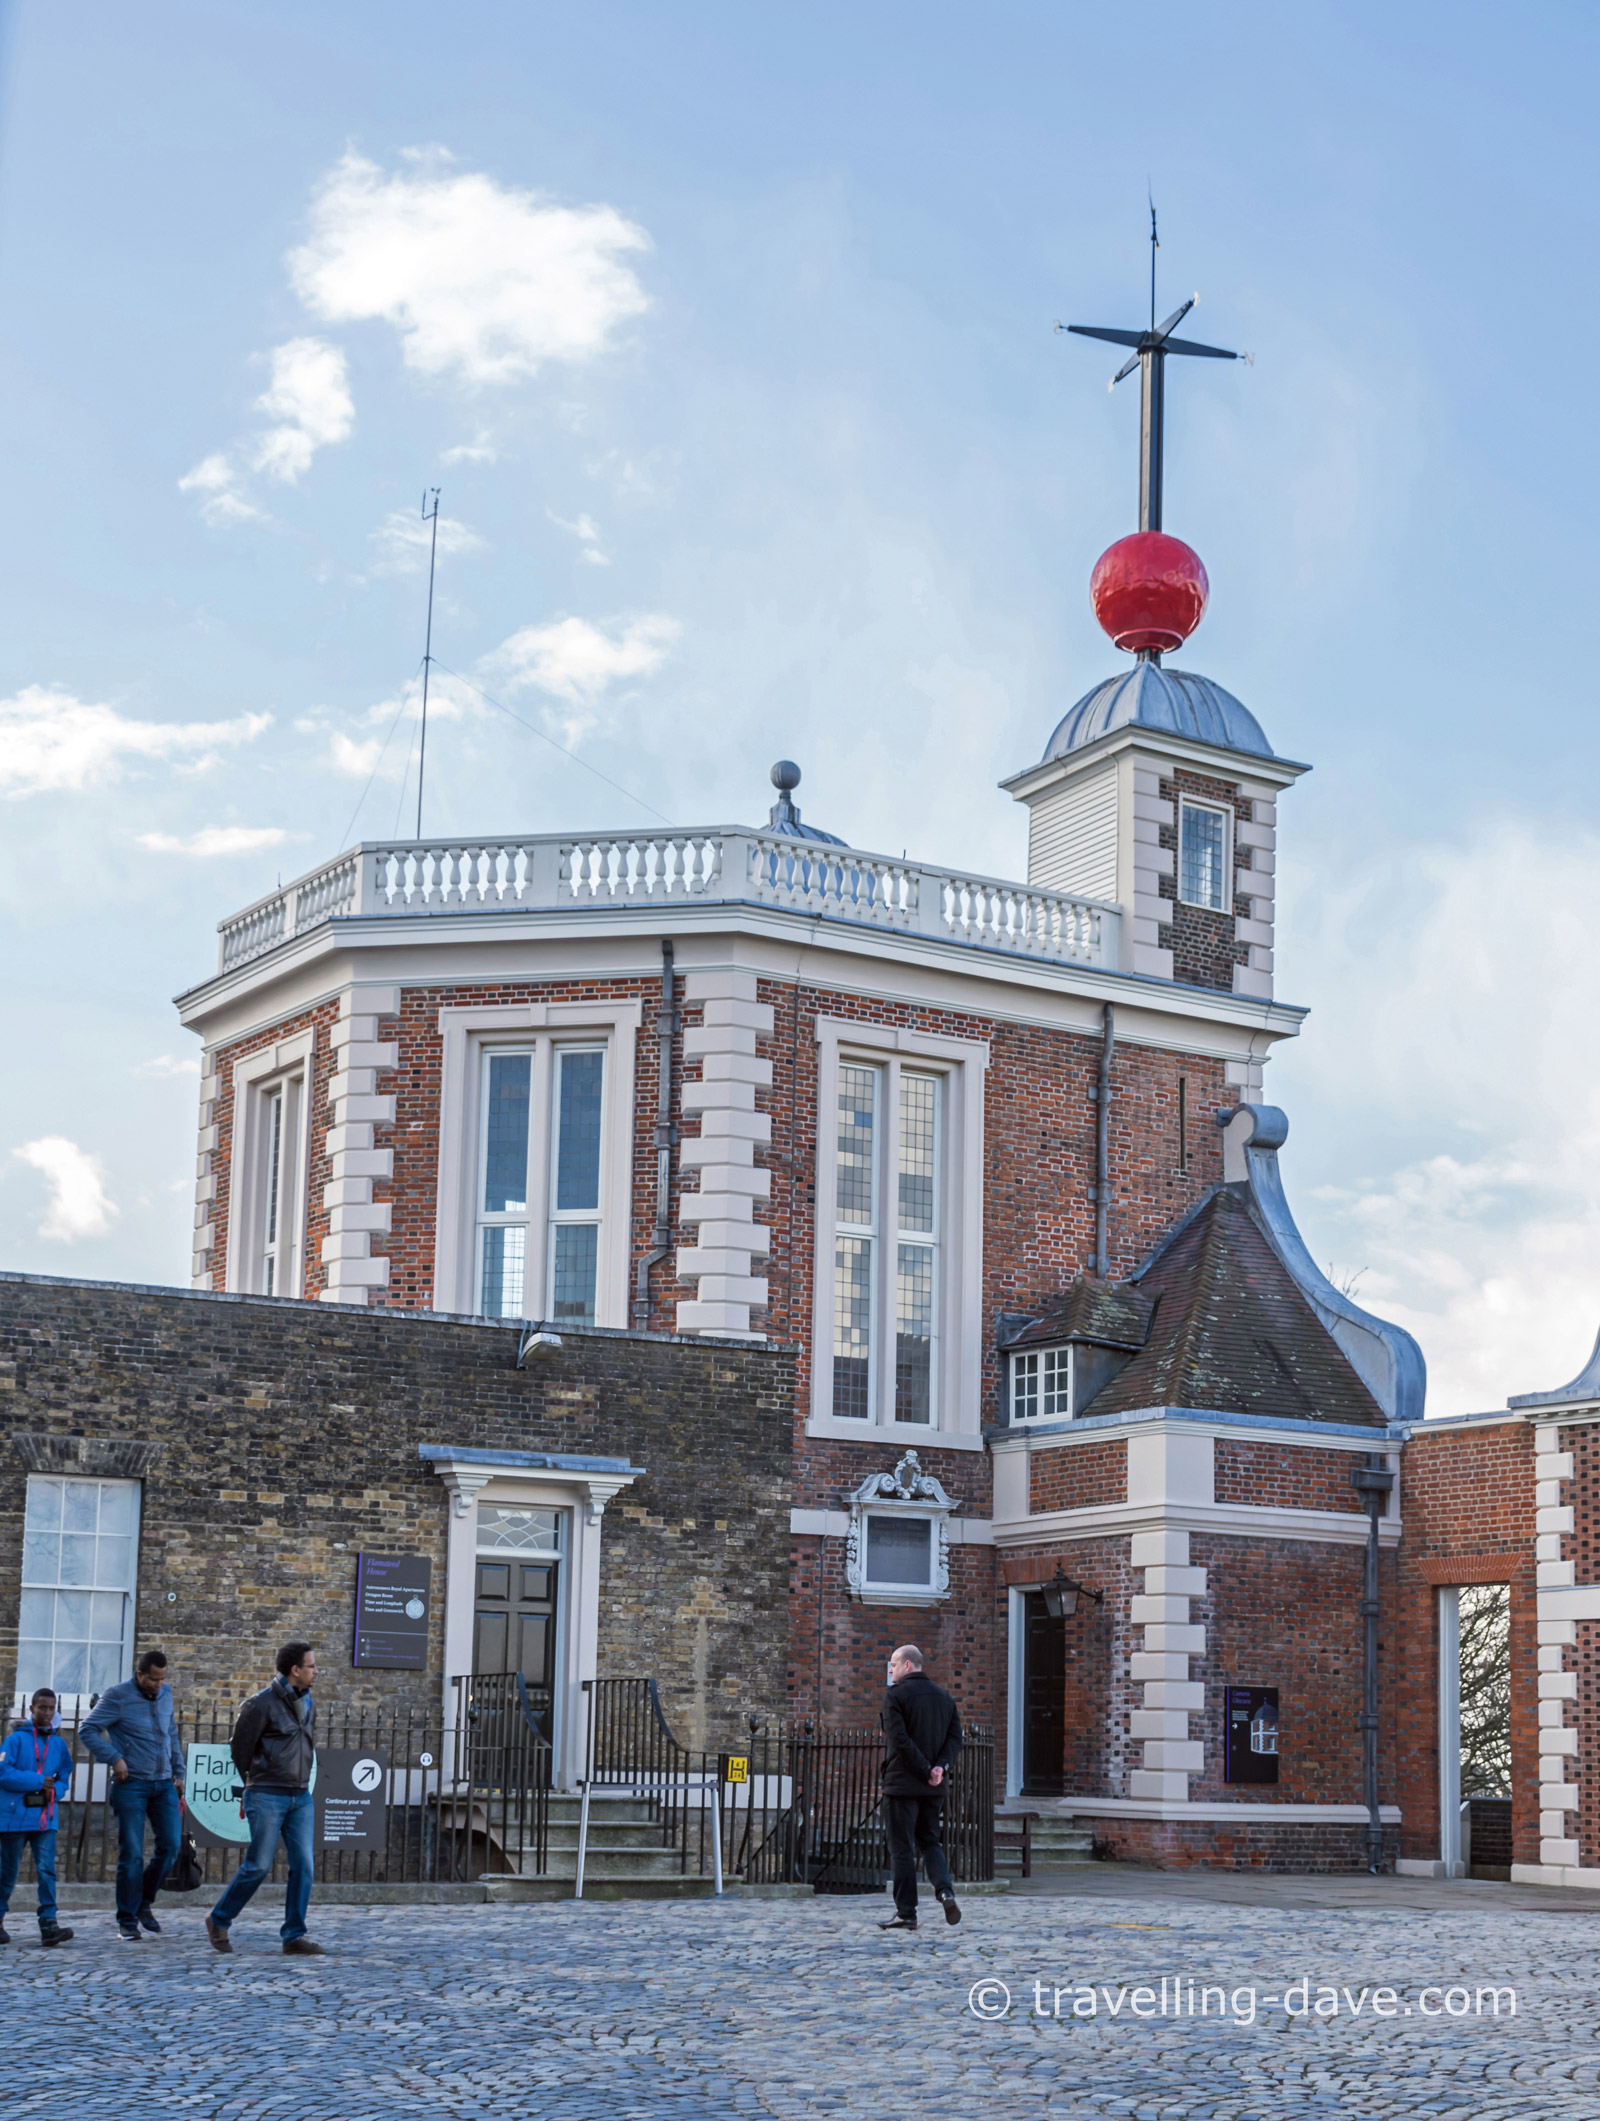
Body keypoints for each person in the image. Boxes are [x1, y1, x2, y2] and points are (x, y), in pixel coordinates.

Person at [205, 1642, 323, 1956]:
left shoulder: (309, 1702)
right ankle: (219, 1919)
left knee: (304, 1867)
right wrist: (254, 1783)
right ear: (295, 1670)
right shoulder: (260, 1704)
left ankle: (293, 1936)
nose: (316, 1671)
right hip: (267, 1795)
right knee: (258, 1866)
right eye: (311, 1666)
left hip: (301, 1797)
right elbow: (239, 1749)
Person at [80, 1649, 184, 1942]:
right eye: (153, 1679)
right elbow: (87, 1730)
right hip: (131, 1785)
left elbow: (171, 1733)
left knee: (172, 1846)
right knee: (132, 1853)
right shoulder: (117, 1696)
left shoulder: (166, 1694)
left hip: (163, 1784)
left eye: (162, 1679)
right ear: (139, 1675)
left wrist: (179, 1771)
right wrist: (114, 1758)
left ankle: (143, 1902)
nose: (159, 1685)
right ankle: (126, 1919)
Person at [878, 1643, 963, 1932]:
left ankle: (906, 1912)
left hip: (902, 1784)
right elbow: (955, 1740)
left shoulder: (895, 1696)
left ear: (908, 1665)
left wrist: (926, 1769)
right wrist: (940, 1768)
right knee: (930, 1842)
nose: (891, 1670)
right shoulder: (945, 1698)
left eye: (893, 1664)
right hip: (933, 1787)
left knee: (902, 1847)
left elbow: (899, 1741)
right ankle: (945, 1892)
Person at [0, 1689, 75, 1948]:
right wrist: (38, 1780)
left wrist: (57, 1790)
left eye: (51, 1708)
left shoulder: (59, 1744)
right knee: (8, 1871)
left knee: (46, 1870)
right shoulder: (15, 1740)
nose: (46, 1713)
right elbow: (3, 1772)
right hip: (14, 1817)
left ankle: (49, 1924)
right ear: (32, 1709)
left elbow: (65, 1773)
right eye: (42, 1707)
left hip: (45, 1816)